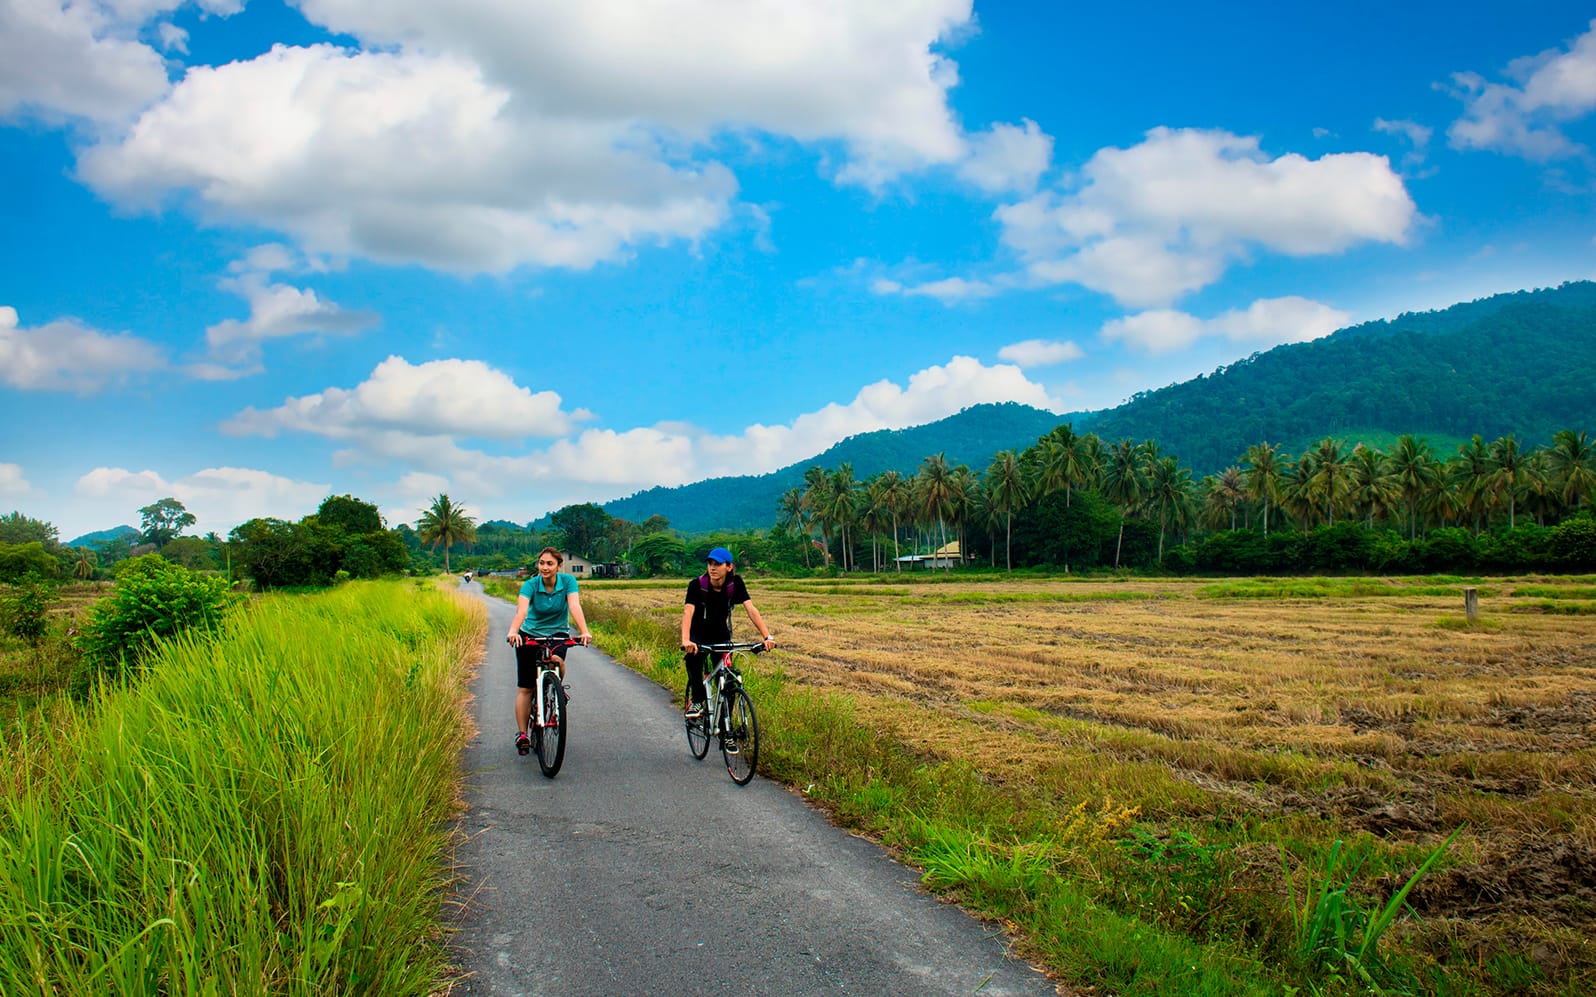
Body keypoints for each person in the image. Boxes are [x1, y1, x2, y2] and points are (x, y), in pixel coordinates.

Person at [505, 547, 592, 755]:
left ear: (559, 566)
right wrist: (513, 631)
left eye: (550, 564)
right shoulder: (530, 585)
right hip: (530, 634)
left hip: (558, 633)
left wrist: (584, 631)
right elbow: (522, 611)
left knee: (555, 660)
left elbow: (574, 606)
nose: (545, 567)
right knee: (526, 687)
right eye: (542, 563)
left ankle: (555, 690)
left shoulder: (568, 582)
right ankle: (523, 734)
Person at [680, 547, 774, 719]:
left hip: (721, 635)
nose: (712, 568)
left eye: (718, 564)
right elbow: (688, 612)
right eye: (710, 564)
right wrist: (686, 640)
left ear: (729, 567)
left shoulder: (735, 584)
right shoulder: (696, 586)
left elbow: (751, 609)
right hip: (698, 635)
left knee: (728, 682)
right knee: (693, 659)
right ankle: (697, 700)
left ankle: (726, 730)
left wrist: (767, 636)